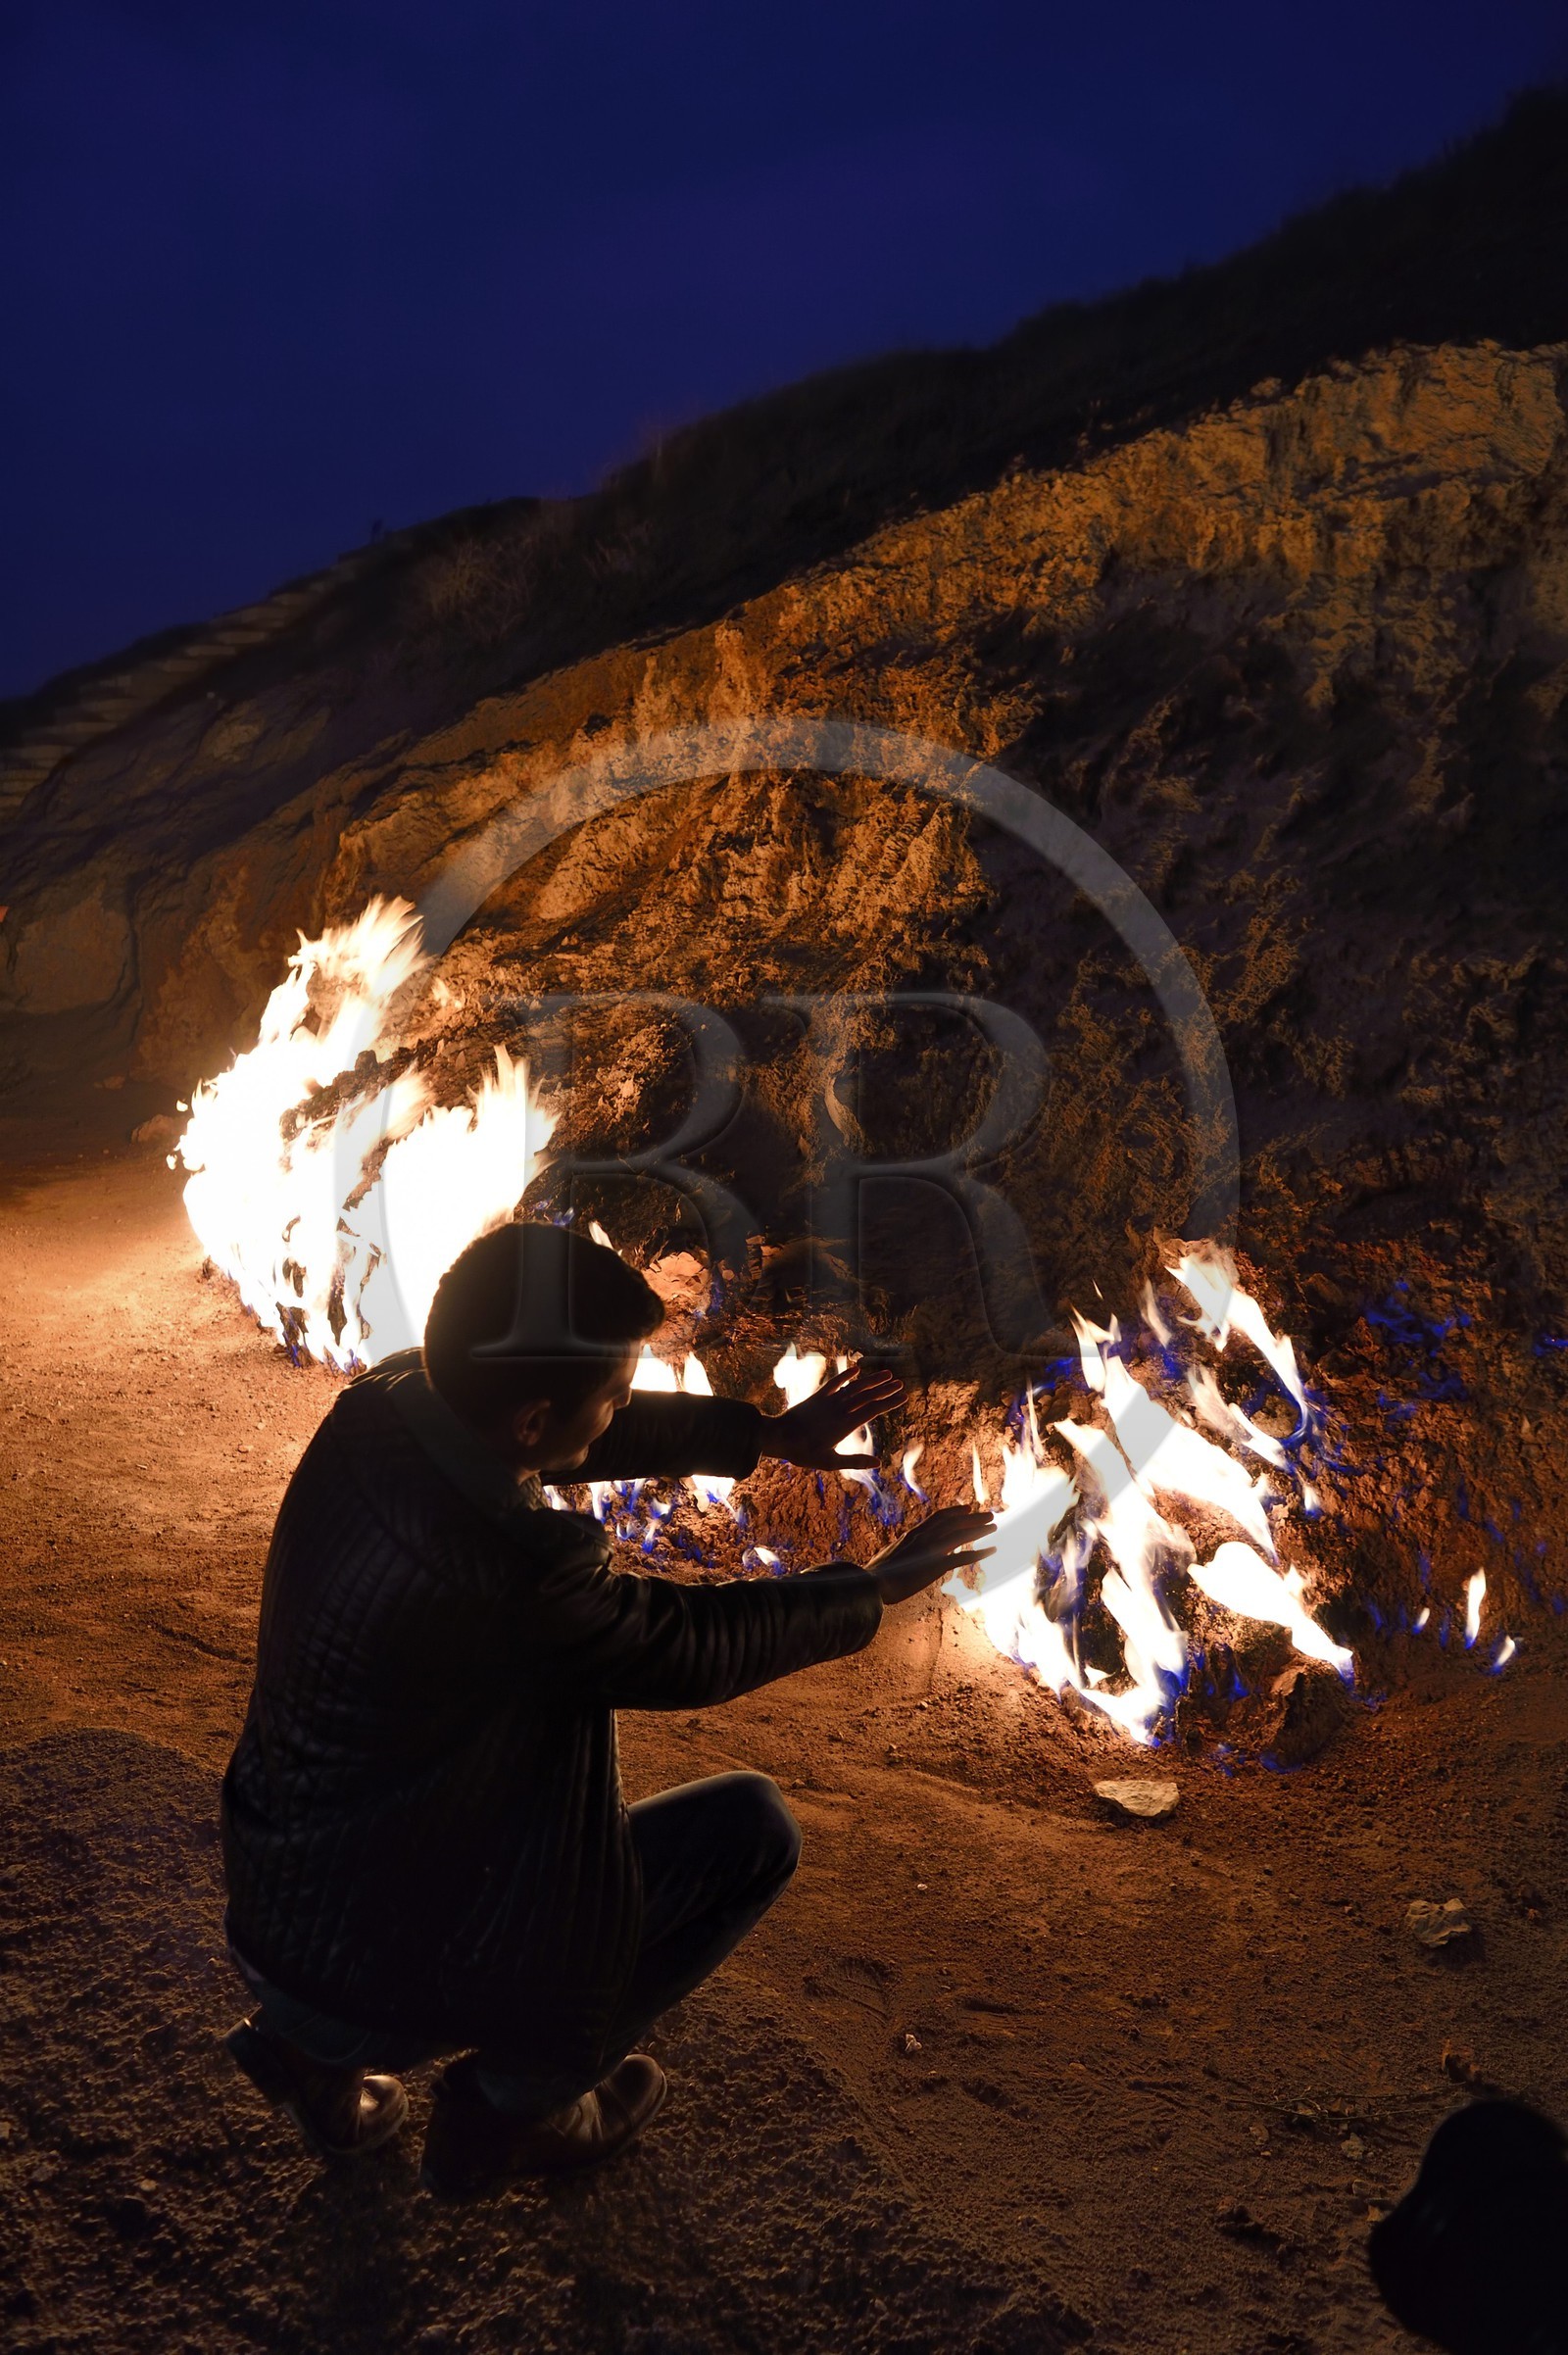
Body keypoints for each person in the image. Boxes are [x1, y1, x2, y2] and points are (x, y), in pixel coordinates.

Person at [220, 1218, 994, 2197]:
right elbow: (688, 1647)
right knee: (748, 1833)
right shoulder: (519, 1575)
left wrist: (761, 1436)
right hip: (384, 1960)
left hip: (280, 1899)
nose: (623, 1408)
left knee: (469, 1808)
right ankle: (515, 2107)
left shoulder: (388, 1400)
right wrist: (869, 1591)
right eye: (616, 1393)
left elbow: (565, 1425)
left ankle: (307, 2054)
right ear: (536, 1419)